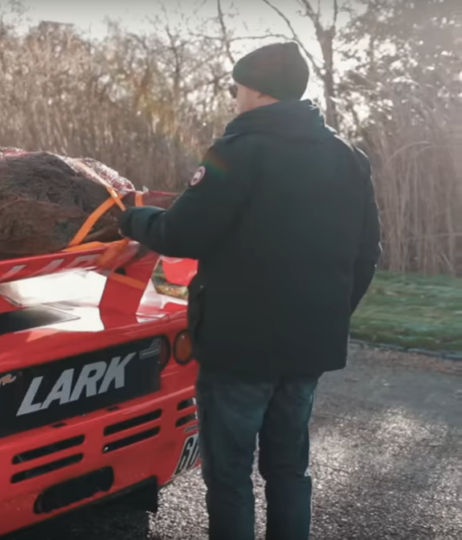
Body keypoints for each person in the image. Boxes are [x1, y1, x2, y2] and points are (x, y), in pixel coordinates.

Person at [117, 42, 382, 540]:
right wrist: (330, 312)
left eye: (237, 87)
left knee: (230, 474)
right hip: (308, 344)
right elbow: (368, 253)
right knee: (288, 468)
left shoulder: (238, 152)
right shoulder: (349, 157)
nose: (235, 97)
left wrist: (130, 218)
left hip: (239, 347)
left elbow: (181, 234)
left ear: (256, 91)